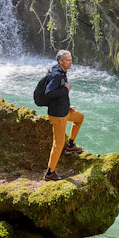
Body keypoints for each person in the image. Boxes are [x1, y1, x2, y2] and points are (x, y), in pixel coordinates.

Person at [43, 49, 84, 181]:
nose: (70, 62)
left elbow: (59, 94)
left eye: (71, 59)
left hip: (64, 110)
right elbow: (49, 93)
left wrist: (67, 106)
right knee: (58, 144)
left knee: (79, 117)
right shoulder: (56, 75)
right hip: (58, 115)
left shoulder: (61, 72)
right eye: (67, 60)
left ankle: (71, 145)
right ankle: (50, 173)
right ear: (60, 61)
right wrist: (65, 89)